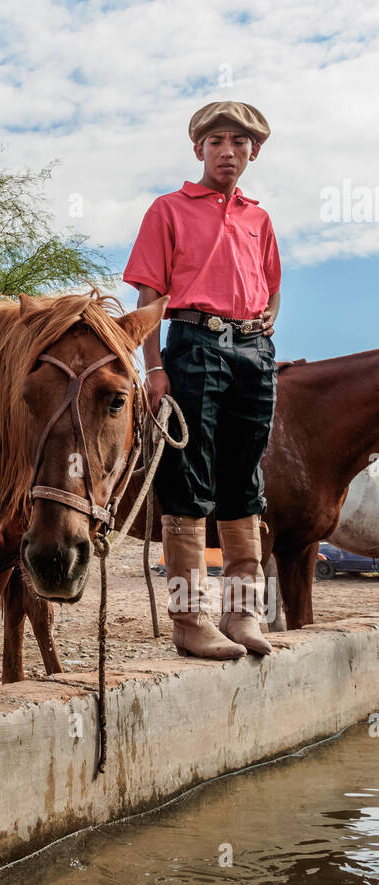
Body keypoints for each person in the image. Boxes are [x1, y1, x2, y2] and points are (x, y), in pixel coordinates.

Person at [123, 101, 281, 660]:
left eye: (239, 143)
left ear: (252, 152)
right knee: (188, 481)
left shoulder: (259, 219)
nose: (228, 151)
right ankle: (191, 619)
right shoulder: (168, 209)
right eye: (217, 141)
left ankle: (243, 614)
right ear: (199, 149)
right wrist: (154, 366)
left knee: (245, 482)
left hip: (253, 352)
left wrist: (268, 318)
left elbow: (271, 285)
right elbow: (147, 297)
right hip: (192, 343)